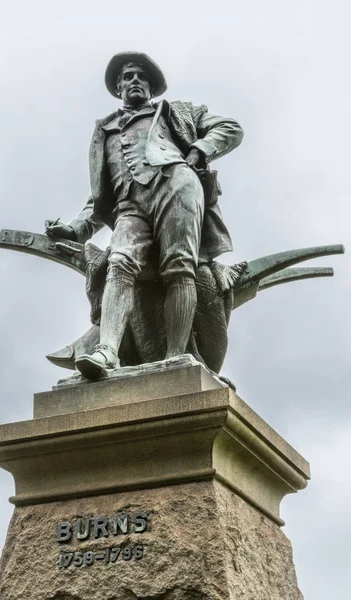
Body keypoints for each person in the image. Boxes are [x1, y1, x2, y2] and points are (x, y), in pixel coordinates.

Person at [46, 51, 243, 379]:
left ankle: (176, 357)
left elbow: (230, 128)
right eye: (128, 76)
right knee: (118, 262)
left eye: (141, 76)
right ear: (118, 87)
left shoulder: (177, 112)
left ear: (151, 88)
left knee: (180, 267)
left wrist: (199, 149)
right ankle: (107, 352)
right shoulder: (105, 129)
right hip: (129, 205)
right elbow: (99, 198)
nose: (134, 80)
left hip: (177, 184)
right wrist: (76, 229)